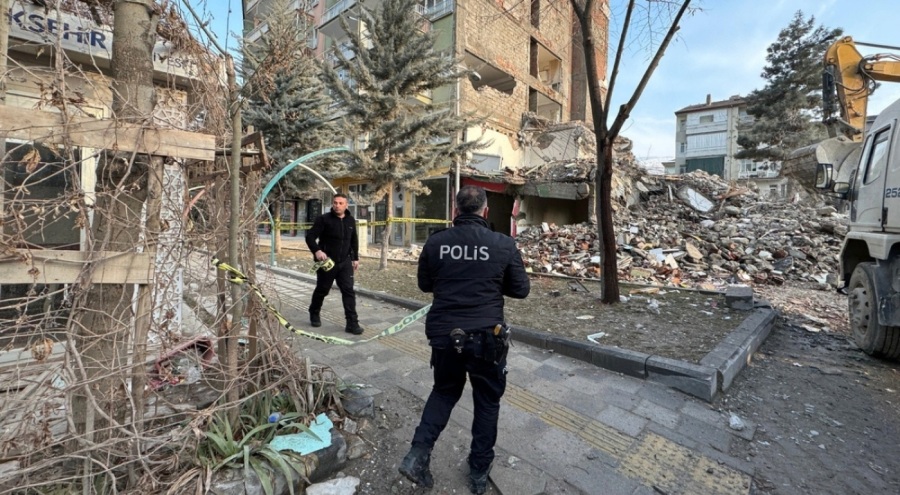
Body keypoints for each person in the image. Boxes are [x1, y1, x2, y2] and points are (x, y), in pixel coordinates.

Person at [399, 185, 530, 494]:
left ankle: (417, 455)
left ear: (455, 210)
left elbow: (424, 284)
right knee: (487, 402)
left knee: (444, 393)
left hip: (445, 336)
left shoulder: (436, 242)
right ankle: (479, 472)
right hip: (488, 339)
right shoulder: (503, 244)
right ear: (485, 211)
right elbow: (521, 289)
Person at [305, 193, 362, 335]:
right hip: (327, 262)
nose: (337, 205)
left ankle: (352, 323)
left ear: (346, 205)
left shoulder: (350, 220)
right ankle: (314, 312)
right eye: (335, 203)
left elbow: (353, 240)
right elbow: (310, 237)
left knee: (348, 291)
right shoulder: (323, 219)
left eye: (341, 203)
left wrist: (355, 258)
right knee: (323, 289)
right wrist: (317, 251)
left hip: (345, 262)